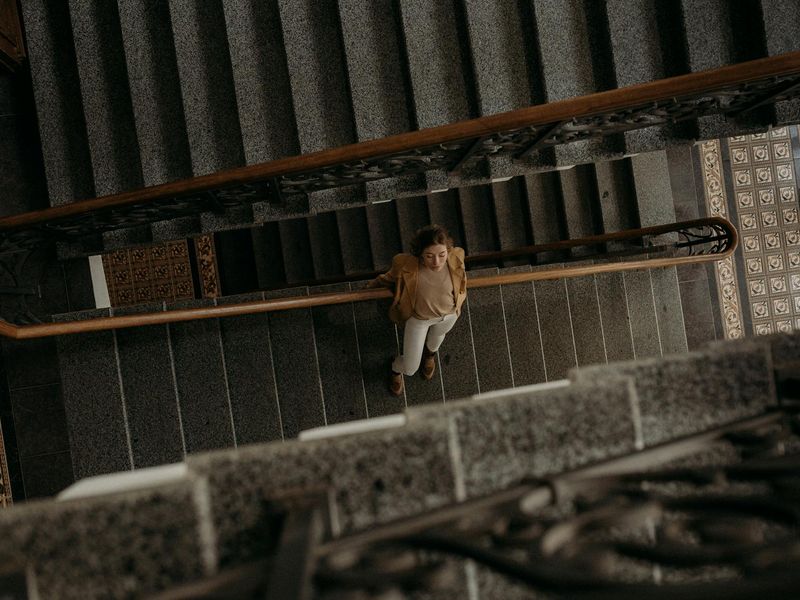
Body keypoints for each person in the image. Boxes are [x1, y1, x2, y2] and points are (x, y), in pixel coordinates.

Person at [367, 225, 467, 396]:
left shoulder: (456, 255)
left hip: (449, 315)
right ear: (420, 253)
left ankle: (429, 356)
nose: (437, 262)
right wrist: (369, 288)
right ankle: (395, 369)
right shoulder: (404, 263)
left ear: (447, 250)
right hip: (419, 320)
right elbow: (387, 278)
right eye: (429, 256)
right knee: (410, 367)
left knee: (436, 340)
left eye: (442, 255)